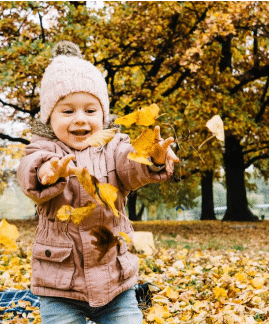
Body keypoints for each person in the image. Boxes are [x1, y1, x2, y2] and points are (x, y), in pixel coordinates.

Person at [17, 41, 179, 324]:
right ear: (49, 117)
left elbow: (131, 166)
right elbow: (29, 170)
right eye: (67, 111)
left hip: (115, 282)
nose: (80, 119)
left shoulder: (114, 146)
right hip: (60, 286)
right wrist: (47, 173)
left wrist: (151, 159)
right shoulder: (43, 149)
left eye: (90, 111)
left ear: (103, 115)